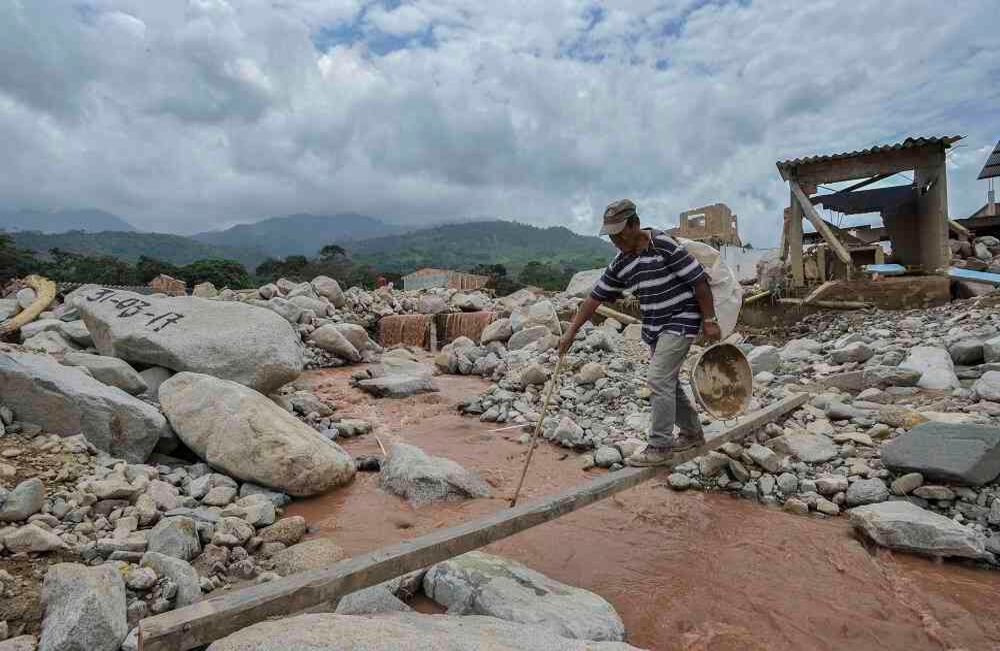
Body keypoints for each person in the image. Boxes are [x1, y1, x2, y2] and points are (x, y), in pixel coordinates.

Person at [559, 199, 721, 467]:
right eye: (611, 236)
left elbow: (698, 281)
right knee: (667, 381)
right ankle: (692, 433)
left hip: (682, 319)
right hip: (655, 327)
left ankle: (660, 446)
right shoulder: (621, 263)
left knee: (658, 379)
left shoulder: (663, 245)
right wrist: (570, 333)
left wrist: (710, 319)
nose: (616, 240)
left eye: (620, 233)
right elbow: (593, 299)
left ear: (635, 224)